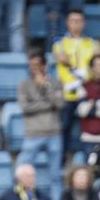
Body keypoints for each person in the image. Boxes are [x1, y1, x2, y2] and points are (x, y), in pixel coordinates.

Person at [18, 51, 64, 182]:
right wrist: (47, 105)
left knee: (55, 175)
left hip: (54, 133)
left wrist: (45, 86)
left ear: (44, 66)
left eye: (37, 65)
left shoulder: (56, 83)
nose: (34, 69)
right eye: (31, 66)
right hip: (32, 134)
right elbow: (25, 108)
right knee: (22, 171)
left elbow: (59, 103)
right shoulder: (24, 85)